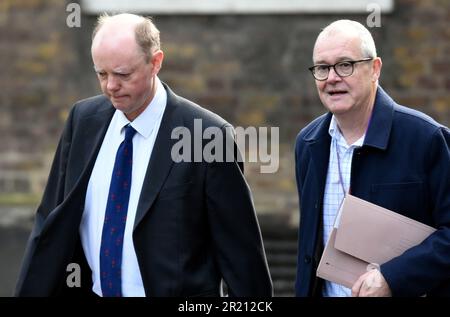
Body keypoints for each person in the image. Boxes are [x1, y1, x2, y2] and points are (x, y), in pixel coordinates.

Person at [15, 13, 272, 297]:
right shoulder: (82, 120)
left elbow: (243, 263)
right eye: (102, 73)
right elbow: (49, 222)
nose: (110, 86)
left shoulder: (208, 135)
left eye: (123, 74)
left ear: (155, 63)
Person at [294, 20, 450, 297]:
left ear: (375, 69)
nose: (332, 77)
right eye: (322, 67)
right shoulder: (308, 144)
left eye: (345, 65)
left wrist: (393, 278)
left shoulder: (426, 139)